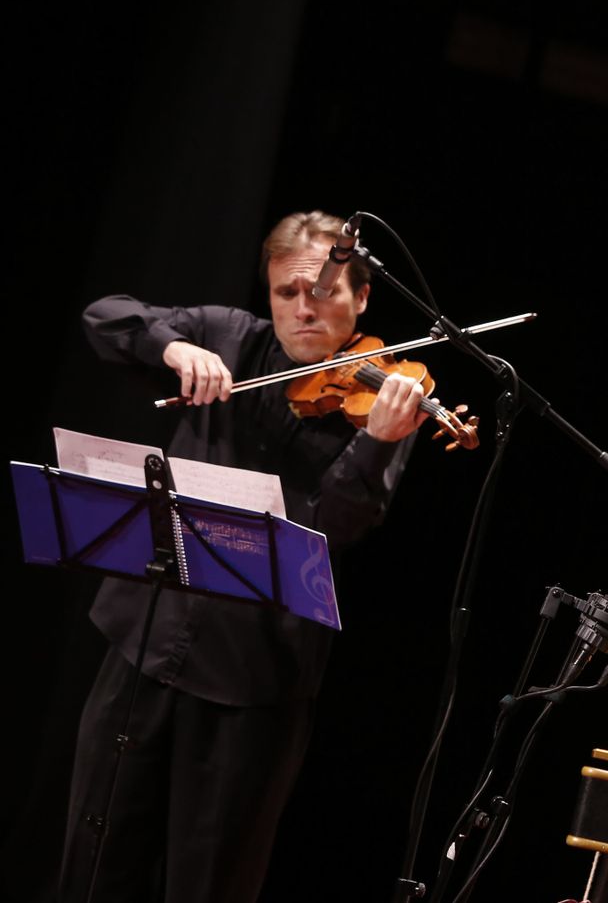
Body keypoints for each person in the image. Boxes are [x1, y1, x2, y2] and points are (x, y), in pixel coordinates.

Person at [59, 210, 432, 903]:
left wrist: (378, 442)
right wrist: (172, 348)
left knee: (210, 885)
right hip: (145, 641)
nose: (303, 310)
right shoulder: (227, 335)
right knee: (94, 860)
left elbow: (339, 526)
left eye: (322, 293)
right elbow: (105, 316)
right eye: (286, 294)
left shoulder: (386, 395)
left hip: (255, 679)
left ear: (363, 297)